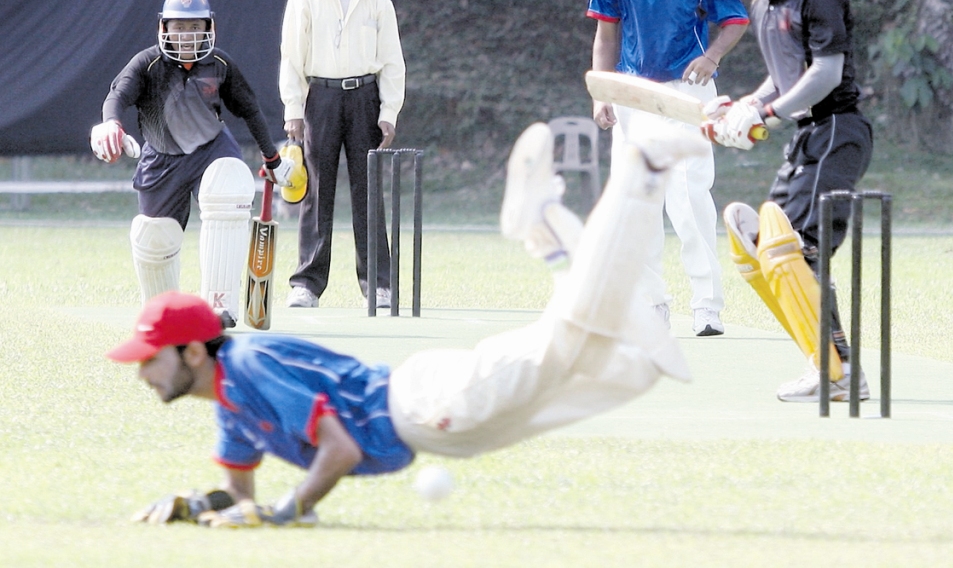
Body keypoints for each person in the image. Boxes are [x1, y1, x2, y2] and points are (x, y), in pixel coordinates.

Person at [109, 122, 702, 527]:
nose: (141, 372)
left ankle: (635, 174)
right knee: (633, 370)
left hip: (425, 403)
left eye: (148, 357)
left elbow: (336, 450)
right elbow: (243, 500)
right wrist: (202, 504)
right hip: (439, 430)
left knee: (570, 337)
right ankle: (551, 245)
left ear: (191, 354)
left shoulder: (247, 366)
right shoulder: (230, 405)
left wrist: (287, 512)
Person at [704, 0, 873, 402]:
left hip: (837, 130)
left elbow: (826, 73)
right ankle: (831, 366)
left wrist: (769, 115)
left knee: (799, 250)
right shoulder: (762, 4)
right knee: (769, 250)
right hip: (807, 138)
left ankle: (840, 371)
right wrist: (742, 107)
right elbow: (782, 77)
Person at [587, 0, 750, 337]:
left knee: (689, 199)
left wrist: (711, 55)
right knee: (637, 201)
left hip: (688, 95)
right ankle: (652, 305)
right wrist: (602, 91)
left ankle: (707, 308)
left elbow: (734, 20)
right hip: (635, 94)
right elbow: (606, 34)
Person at [90, 0, 292, 327]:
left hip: (211, 149)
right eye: (179, 27)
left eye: (194, 26)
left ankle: (219, 306)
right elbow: (116, 97)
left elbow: (250, 109)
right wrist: (110, 124)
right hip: (162, 156)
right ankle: (164, 312)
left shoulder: (220, 64)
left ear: (207, 28)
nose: (186, 35)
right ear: (164, 28)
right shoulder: (147, 63)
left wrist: (272, 159)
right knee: (153, 236)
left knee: (228, 185)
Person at [279, 0, 406, 310]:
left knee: (369, 192)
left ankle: (378, 284)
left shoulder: (377, 0)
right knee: (317, 192)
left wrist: (389, 111)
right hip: (321, 97)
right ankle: (307, 284)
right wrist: (293, 108)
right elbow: (291, 56)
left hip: (364, 96)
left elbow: (392, 62)